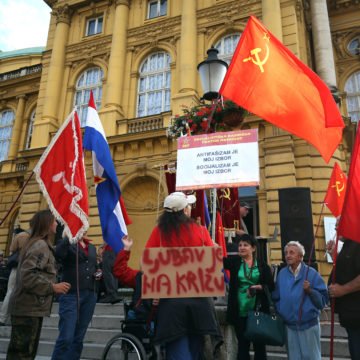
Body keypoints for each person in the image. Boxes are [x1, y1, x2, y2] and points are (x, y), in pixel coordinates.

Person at [144, 191, 222, 360]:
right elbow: (215, 262)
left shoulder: (159, 232)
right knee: (195, 351)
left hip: (171, 303)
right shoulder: (200, 230)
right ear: (185, 211)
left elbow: (147, 263)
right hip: (199, 301)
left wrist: (154, 291)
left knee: (178, 351)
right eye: (189, 206)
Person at [7, 210, 71, 360]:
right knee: (23, 355)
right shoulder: (40, 245)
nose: (57, 223)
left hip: (30, 309)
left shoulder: (39, 243)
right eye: (54, 221)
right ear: (47, 224)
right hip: (28, 310)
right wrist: (53, 287)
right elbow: (28, 275)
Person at [272, 241, 328, 360]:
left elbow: (322, 301)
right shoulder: (282, 274)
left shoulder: (311, 274)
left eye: (291, 252)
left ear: (300, 256)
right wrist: (282, 311)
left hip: (308, 325)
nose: (288, 255)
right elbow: (276, 297)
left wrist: (310, 291)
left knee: (312, 358)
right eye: (286, 253)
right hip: (290, 326)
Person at [223, 233, 274, 360]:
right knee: (242, 346)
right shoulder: (234, 262)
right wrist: (212, 246)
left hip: (258, 311)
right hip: (239, 311)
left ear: (253, 248)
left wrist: (260, 287)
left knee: (259, 346)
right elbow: (217, 260)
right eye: (239, 245)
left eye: (245, 245)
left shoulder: (262, 266)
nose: (241, 247)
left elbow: (271, 286)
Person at [51, 233, 100, 360]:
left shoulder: (92, 247)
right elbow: (58, 254)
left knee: (78, 338)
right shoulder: (67, 244)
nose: (83, 229)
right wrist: (68, 238)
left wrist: (98, 272)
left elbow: (94, 266)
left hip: (90, 294)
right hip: (70, 294)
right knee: (66, 337)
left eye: (84, 226)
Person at [328, 237, 360, 360]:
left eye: (339, 223)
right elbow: (346, 270)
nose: (336, 227)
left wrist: (342, 290)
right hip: (350, 316)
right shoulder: (348, 245)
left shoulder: (357, 244)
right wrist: (334, 254)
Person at [0, 227, 30, 326]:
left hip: (17, 267)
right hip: (30, 268)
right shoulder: (35, 237)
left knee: (10, 291)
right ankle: (18, 318)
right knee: (24, 293)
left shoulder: (20, 236)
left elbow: (12, 249)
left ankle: (2, 318)